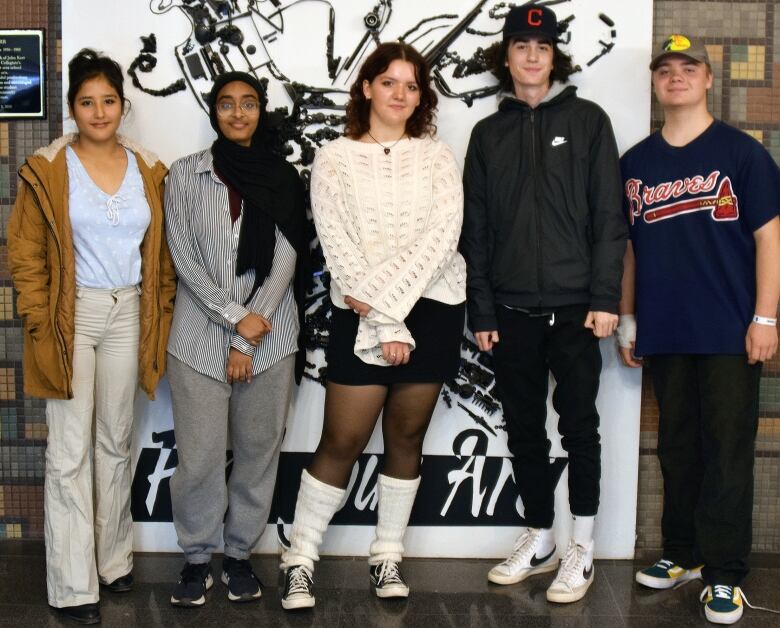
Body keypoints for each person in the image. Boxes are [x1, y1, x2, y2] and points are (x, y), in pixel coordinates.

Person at [278, 42, 466, 610]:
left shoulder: (436, 156)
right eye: (390, 83)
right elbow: (339, 248)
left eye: (411, 86)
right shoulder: (334, 157)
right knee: (342, 439)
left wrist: (399, 317)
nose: (401, 95)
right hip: (361, 311)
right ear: (367, 89)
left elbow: (442, 238)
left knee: (406, 438)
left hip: (433, 308)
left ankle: (387, 556)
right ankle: (299, 560)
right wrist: (386, 320)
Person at [460, 5, 626, 603]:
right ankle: (540, 535)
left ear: (555, 56)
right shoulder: (488, 134)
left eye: (543, 46)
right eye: (521, 46)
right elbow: (474, 231)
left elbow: (611, 218)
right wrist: (481, 310)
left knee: (579, 426)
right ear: (505, 57)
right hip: (508, 311)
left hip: (579, 307)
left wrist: (605, 297)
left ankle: (582, 544)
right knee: (525, 429)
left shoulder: (587, 121)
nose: (532, 55)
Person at [7, 49, 176, 625]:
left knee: (115, 440)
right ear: (72, 108)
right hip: (70, 317)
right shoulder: (49, 166)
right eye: (87, 102)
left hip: (129, 312)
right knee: (68, 451)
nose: (99, 112)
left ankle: (112, 561)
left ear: (123, 106)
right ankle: (73, 582)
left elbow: (162, 257)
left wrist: (162, 308)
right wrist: (37, 315)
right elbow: (25, 253)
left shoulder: (150, 167)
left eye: (109, 101)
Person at [618, 34, 780, 625]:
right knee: (677, 449)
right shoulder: (636, 162)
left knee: (728, 452)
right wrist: (629, 316)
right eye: (666, 70)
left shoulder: (743, 154)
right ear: (657, 83)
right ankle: (681, 554)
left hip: (730, 329)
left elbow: (771, 239)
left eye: (689, 68)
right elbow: (630, 250)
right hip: (665, 329)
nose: (677, 77)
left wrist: (766, 317)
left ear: (709, 79)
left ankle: (724, 573)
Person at [164, 71, 309, 607]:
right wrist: (233, 317)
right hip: (198, 339)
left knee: (257, 453)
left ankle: (241, 555)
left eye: (249, 104)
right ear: (213, 111)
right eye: (227, 104)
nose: (239, 113)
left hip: (270, 338)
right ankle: (197, 557)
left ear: (261, 111)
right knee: (199, 458)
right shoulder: (185, 175)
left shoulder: (282, 177)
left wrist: (247, 339)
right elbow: (183, 258)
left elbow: (287, 258)